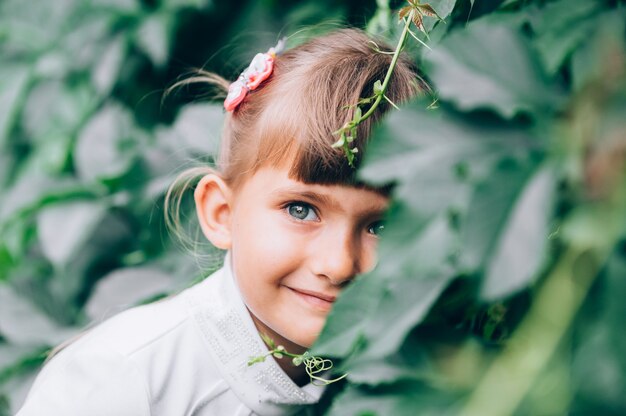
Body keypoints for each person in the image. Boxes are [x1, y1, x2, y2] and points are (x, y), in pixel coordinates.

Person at [17, 28, 424, 416]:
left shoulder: (406, 367)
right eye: (300, 209)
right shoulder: (123, 379)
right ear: (221, 214)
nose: (337, 265)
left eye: (381, 227)